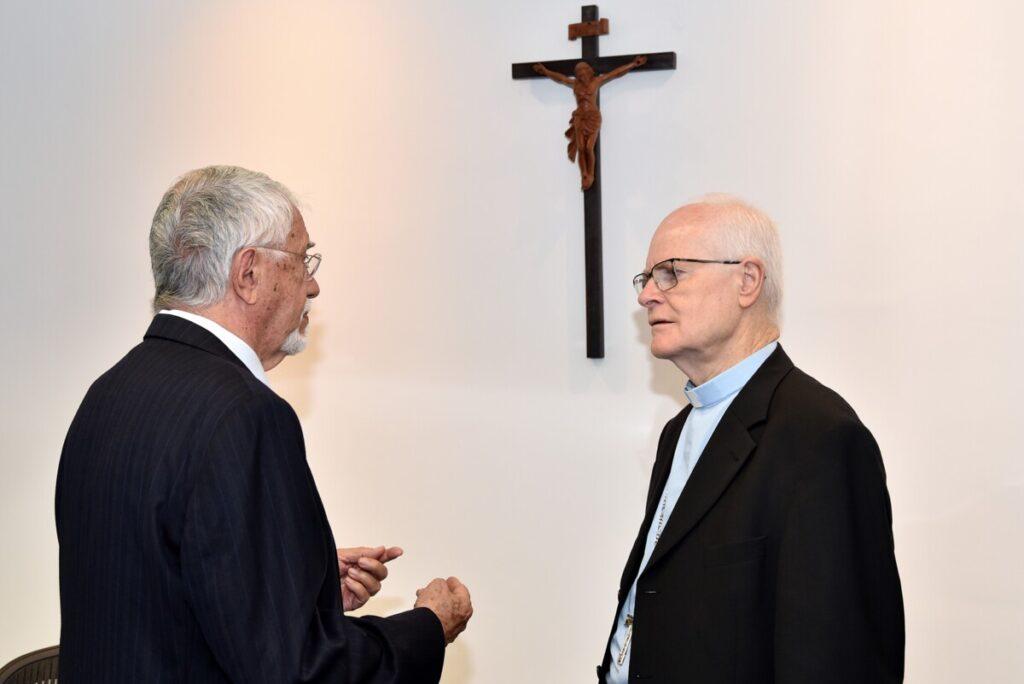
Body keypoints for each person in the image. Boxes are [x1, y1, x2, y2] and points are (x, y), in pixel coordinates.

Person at [56, 166, 472, 682]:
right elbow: (298, 672)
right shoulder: (246, 416)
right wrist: (428, 626)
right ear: (248, 274)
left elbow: (158, 594)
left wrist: (305, 585)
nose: (313, 285)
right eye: (303, 260)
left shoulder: (110, 392)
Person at [598, 195, 904, 683]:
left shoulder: (821, 438)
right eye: (648, 278)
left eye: (671, 272)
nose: (647, 295)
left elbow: (839, 659)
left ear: (747, 281)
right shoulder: (679, 430)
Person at [532, 56, 646, 190]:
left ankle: (591, 173)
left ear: (589, 71)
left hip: (593, 117)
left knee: (588, 147)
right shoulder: (575, 84)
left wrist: (632, 64)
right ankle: (584, 174)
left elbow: (615, 74)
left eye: (584, 71)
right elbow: (560, 78)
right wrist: (545, 71)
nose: (582, 75)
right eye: (579, 73)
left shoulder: (597, 81)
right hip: (580, 117)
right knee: (581, 148)